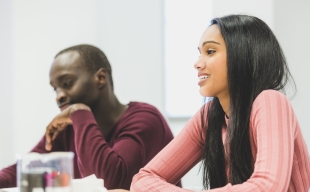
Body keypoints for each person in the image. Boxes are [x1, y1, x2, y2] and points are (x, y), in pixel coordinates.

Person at [130, 15, 310, 191]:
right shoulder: (209, 116)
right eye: (199, 54)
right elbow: (142, 180)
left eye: (210, 51)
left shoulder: (270, 101)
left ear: (243, 56)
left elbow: (268, 187)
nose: (197, 63)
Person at [0, 44, 181, 190]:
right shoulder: (70, 127)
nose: (59, 96)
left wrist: (79, 111)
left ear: (101, 78)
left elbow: (107, 183)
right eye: (55, 88)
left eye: (67, 83)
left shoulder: (145, 119)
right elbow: (25, 170)